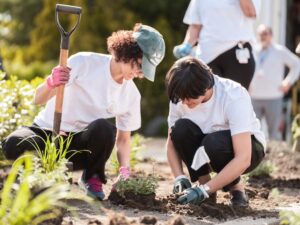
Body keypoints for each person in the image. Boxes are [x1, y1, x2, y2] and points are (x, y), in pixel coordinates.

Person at [1, 23, 165, 200]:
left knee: (104, 128)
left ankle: (92, 177)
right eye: (140, 66)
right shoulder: (84, 62)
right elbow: (38, 99)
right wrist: (50, 83)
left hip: (78, 147)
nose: (140, 74)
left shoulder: (131, 95)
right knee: (13, 143)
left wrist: (124, 172)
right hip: (47, 133)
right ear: (128, 53)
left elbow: (124, 140)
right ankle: (42, 174)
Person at [165, 56, 266, 207]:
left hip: (249, 149)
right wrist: (179, 177)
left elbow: (244, 158)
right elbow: (172, 142)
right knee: (180, 129)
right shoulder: (181, 96)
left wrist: (204, 191)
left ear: (205, 88)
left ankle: (236, 189)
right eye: (181, 98)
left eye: (188, 98)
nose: (184, 102)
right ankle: (204, 184)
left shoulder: (233, 95)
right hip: (207, 148)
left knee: (213, 143)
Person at [173, 0, 260, 89]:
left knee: (235, 98)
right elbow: (195, 26)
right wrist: (187, 44)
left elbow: (250, 12)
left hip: (236, 54)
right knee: (207, 98)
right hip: (207, 55)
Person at [249, 25, 300, 141]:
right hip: (254, 97)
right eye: (260, 34)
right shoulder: (252, 50)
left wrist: (288, 82)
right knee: (252, 133)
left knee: (274, 134)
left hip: (274, 97)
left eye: (265, 34)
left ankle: (274, 159)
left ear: (271, 36)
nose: (263, 37)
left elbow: (297, 64)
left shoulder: (279, 50)